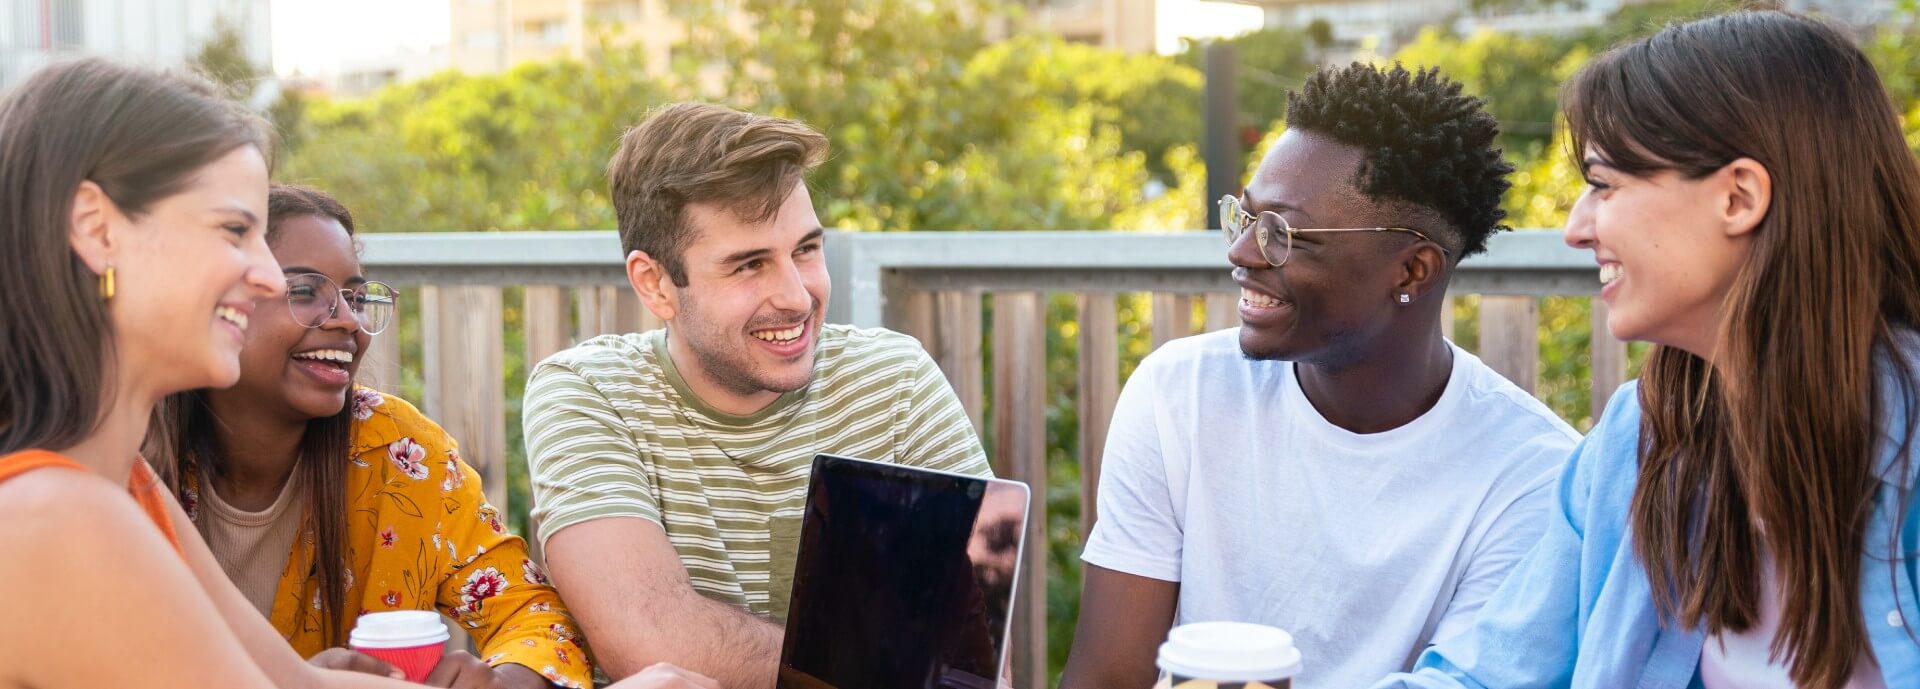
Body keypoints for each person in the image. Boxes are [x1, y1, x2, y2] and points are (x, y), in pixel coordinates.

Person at [0, 58, 716, 689]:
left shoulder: (120, 487)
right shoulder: (55, 520)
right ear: (97, 230)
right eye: (232, 231)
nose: (260, 275)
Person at [1373, 11, 1920, 689]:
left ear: (1739, 197)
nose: (1576, 228)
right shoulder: (1640, 438)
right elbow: (1489, 675)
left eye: (1604, 184)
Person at [1058, 63, 1581, 689]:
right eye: (1245, 218)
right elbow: (1107, 678)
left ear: (1412, 271)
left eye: (1282, 233)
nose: (1242, 252)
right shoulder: (1181, 393)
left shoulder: (1533, 476)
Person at [522, 102, 992, 687]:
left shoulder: (895, 380)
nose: (797, 297)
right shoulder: (589, 392)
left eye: (805, 250)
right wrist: (893, 664)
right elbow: (648, 641)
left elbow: (976, 659)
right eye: (749, 265)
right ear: (656, 284)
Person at [147, 184, 591, 688]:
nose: (348, 321)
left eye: (355, 297)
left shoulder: (402, 453)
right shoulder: (130, 460)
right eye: (304, 291)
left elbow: (534, 615)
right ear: (217, 301)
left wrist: (505, 680)